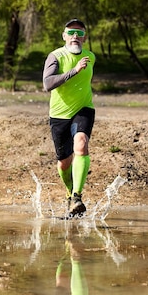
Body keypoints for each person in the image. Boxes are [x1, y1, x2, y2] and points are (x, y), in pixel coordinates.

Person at [42, 18, 96, 217]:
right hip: (59, 115)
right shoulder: (55, 56)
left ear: (85, 37)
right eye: (71, 32)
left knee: (81, 144)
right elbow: (47, 84)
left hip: (83, 109)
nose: (75, 36)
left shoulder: (91, 57)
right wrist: (74, 71)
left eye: (80, 33)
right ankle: (68, 193)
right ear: (64, 36)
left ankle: (77, 196)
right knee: (64, 164)